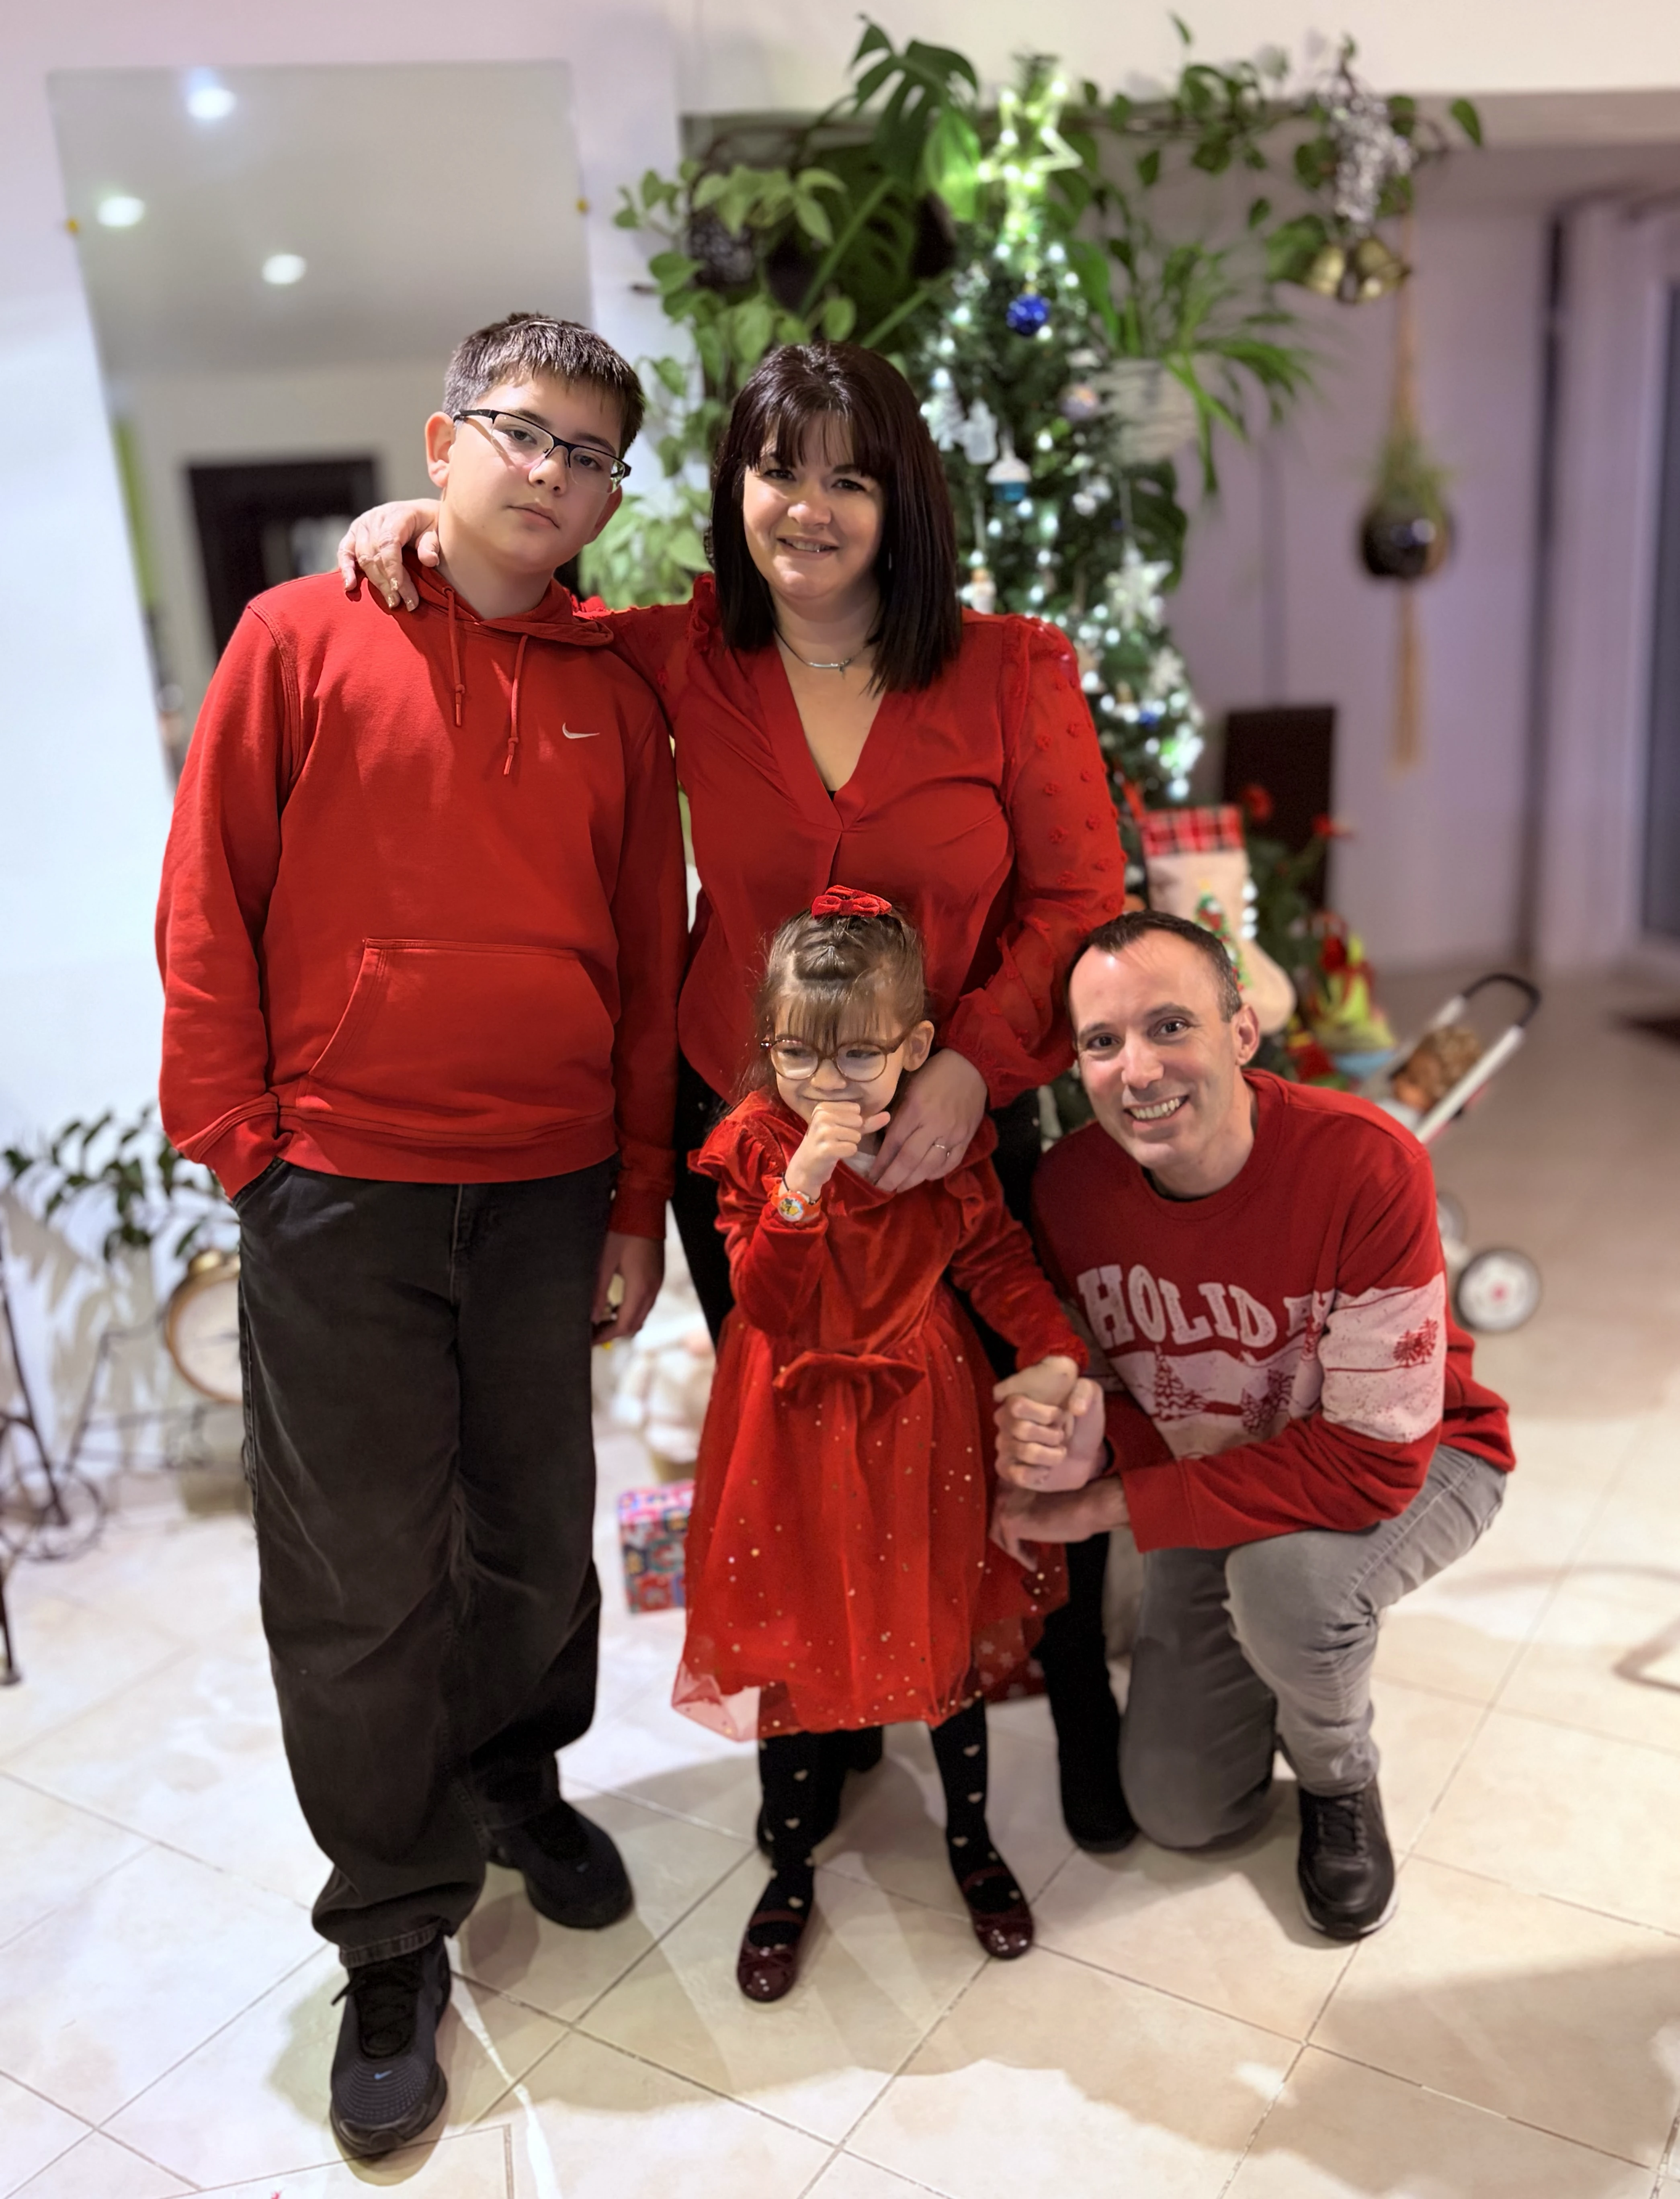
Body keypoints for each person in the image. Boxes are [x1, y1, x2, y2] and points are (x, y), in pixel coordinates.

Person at [338, 340, 1133, 1851]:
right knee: (807, 1435)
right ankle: (830, 1716)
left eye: (850, 478)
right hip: (753, 1134)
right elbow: (524, 607)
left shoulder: (1009, 670)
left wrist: (969, 1064)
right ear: (736, 489)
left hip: (965, 1121)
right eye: (779, 471)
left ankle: (1075, 1696)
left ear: (903, 502)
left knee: (1021, 1418)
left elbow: (1079, 900)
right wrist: (423, 521)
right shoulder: (682, 654)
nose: (809, 507)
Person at [156, 313, 686, 2157]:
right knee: (362, 1572)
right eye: (521, 432)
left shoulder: (622, 684)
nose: (551, 470)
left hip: (549, 1187)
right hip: (340, 1188)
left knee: (534, 1534)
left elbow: (648, 963)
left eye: (589, 452)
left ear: (609, 497)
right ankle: (391, 1929)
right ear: (443, 439)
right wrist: (243, 1150)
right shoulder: (298, 637)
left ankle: (512, 1777)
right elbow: (207, 898)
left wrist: (635, 1198)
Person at [992, 910, 1515, 1941]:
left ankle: (1336, 1775)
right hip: (1227, 1464)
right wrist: (1084, 1436)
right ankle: (1291, 1660)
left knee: (1288, 1587)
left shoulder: (1365, 1164)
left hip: (1423, 1455)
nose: (1137, 1070)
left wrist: (1110, 1504)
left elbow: (1371, 1466)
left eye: (1168, 1026)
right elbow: (1120, 1388)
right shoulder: (1069, 1190)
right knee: (1182, 1812)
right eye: (1101, 1042)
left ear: (1241, 1032)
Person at [682, 890, 1091, 2000]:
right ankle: (788, 1864)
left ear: (914, 1048)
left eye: (858, 1055)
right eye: (797, 1055)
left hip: (921, 1411)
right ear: (768, 1045)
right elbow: (764, 1304)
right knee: (793, 1630)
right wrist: (802, 1188)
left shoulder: (934, 1144)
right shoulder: (753, 1144)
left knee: (940, 1616)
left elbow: (995, 1259)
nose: (826, 1083)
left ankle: (970, 1838)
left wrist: (1054, 1350)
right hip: (788, 1418)